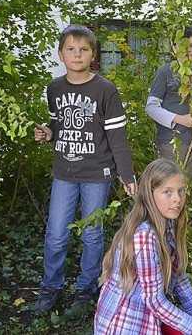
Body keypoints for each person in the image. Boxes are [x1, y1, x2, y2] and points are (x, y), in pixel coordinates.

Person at [33, 24, 137, 313]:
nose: (77, 54)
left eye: (83, 49)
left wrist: (126, 175)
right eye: (71, 49)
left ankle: (85, 288)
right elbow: (58, 124)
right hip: (64, 174)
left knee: (92, 234)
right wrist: (48, 133)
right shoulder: (54, 88)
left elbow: (117, 139)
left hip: (97, 174)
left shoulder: (105, 90)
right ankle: (50, 287)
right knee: (56, 234)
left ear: (93, 54)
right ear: (60, 54)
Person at [94, 158, 192, 335]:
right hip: (125, 325)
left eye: (181, 191)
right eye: (167, 192)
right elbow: (155, 302)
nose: (177, 199)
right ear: (149, 194)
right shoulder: (144, 235)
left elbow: (178, 275)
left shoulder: (168, 225)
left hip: (149, 317)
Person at [146, 26, 192, 179]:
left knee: (187, 185)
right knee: (169, 184)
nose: (188, 50)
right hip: (170, 141)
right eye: (183, 46)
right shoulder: (165, 71)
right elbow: (151, 107)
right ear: (174, 48)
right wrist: (179, 119)